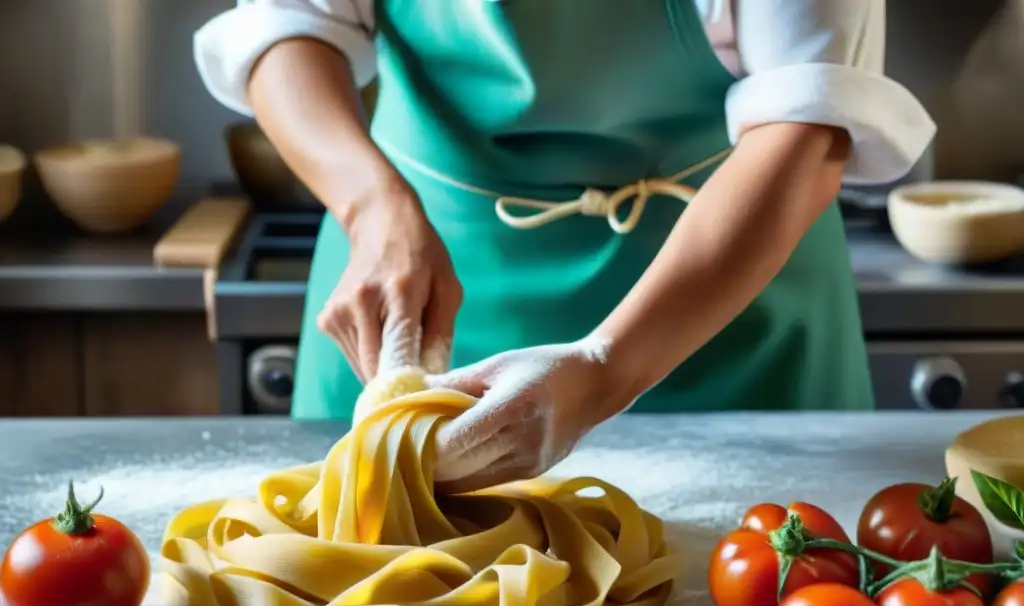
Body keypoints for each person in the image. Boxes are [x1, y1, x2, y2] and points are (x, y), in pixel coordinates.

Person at [195, 0, 934, 492]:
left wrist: (606, 366)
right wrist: (372, 207)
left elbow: (809, 121)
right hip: (417, 271)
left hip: (725, 295)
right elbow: (288, 25)